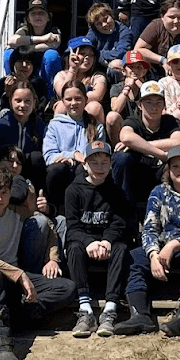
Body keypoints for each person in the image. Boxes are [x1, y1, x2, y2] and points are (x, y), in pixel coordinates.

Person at [0, 165, 74, 360]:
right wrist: (19, 274)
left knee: (66, 288)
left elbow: (48, 225)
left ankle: (14, 316)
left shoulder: (16, 212)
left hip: (13, 280)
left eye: (4, 193)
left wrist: (52, 258)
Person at [114, 145, 180, 337]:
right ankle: (139, 314)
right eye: (175, 166)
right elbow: (150, 228)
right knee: (133, 258)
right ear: (168, 170)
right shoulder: (159, 192)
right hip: (161, 247)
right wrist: (153, 254)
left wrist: (173, 245)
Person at [64, 141, 131, 338]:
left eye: (104, 162)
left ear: (111, 164)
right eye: (94, 162)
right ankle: (85, 310)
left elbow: (119, 223)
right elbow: (72, 227)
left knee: (121, 248)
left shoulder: (116, 191)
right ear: (84, 164)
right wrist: (89, 242)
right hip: (85, 241)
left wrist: (107, 241)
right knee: (74, 247)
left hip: (107, 242)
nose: (99, 168)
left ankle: (110, 309)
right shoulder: (73, 191)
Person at [112, 80, 180, 222]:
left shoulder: (169, 121)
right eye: (148, 102)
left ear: (164, 105)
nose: (154, 107)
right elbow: (125, 136)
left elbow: (178, 141)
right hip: (138, 172)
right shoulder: (134, 120)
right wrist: (161, 153)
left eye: (158, 102)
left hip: (159, 172)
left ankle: (172, 217)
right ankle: (124, 216)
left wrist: (139, 145)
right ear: (140, 105)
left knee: (178, 159)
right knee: (120, 158)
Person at [42, 81, 107, 214]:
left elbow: (99, 155)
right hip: (62, 172)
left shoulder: (96, 127)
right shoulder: (54, 125)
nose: (73, 103)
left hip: (85, 172)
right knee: (56, 169)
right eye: (68, 99)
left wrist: (78, 159)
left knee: (82, 170)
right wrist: (71, 156)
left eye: (78, 99)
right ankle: (56, 210)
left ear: (86, 100)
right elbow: (49, 156)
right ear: (62, 101)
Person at [2, 0, 63, 92]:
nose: (37, 16)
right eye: (33, 13)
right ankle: (12, 86)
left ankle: (49, 95)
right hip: (26, 65)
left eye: (41, 13)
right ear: (28, 18)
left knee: (51, 55)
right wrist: (42, 39)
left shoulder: (53, 31)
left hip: (43, 68)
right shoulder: (25, 29)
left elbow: (53, 45)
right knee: (8, 53)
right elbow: (11, 41)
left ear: (48, 17)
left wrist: (25, 46)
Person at [51, 36, 107, 123]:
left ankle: (93, 136)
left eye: (91, 55)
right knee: (61, 107)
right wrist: (73, 70)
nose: (87, 58)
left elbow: (97, 96)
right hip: (69, 111)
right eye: (82, 53)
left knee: (94, 107)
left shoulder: (97, 77)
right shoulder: (61, 75)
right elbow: (62, 93)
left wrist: (71, 98)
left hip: (88, 115)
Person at [84, 2, 134, 69]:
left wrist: (98, 54)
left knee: (116, 64)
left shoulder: (125, 32)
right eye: (99, 24)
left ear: (111, 15)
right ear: (94, 27)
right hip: (97, 68)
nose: (104, 25)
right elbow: (86, 47)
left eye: (106, 19)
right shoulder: (93, 32)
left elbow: (120, 52)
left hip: (117, 70)